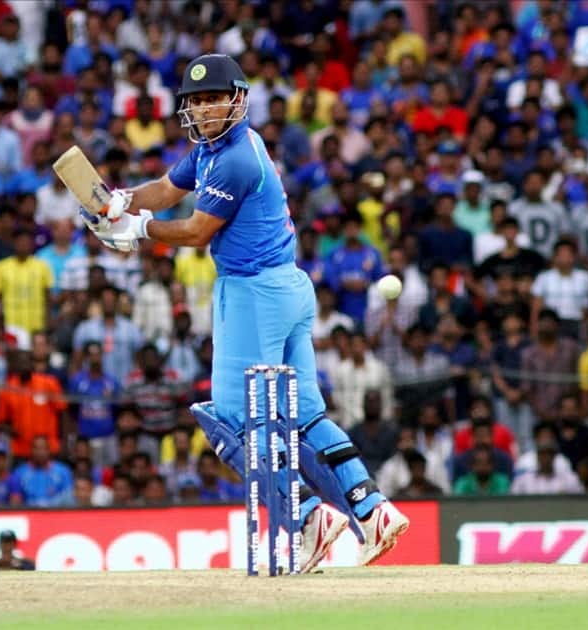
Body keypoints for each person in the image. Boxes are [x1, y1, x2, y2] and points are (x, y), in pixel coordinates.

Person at [75, 54, 409, 571]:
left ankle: (307, 518)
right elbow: (165, 191)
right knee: (302, 416)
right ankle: (373, 510)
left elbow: (195, 231)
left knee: (231, 421)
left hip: (254, 294)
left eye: (215, 98)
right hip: (289, 288)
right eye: (197, 100)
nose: (206, 109)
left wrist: (138, 231)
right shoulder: (218, 147)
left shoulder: (234, 158)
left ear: (238, 99)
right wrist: (119, 202)